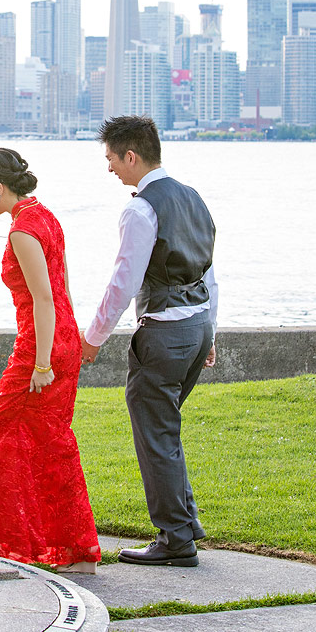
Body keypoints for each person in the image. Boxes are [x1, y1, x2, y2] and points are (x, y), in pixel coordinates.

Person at [0, 147, 101, 573]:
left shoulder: (23, 231)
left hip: (43, 346)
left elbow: (44, 299)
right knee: (52, 443)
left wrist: (43, 363)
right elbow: (64, 287)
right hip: (63, 338)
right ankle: (72, 550)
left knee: (4, 432)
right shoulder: (46, 216)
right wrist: (70, 342)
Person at [80, 116, 217, 568]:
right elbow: (208, 270)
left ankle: (176, 540)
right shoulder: (192, 196)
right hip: (196, 329)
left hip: (163, 335)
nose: (110, 169)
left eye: (111, 159)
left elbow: (124, 281)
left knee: (155, 436)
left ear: (131, 156)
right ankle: (187, 524)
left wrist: (94, 337)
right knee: (166, 429)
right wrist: (211, 331)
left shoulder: (140, 209)